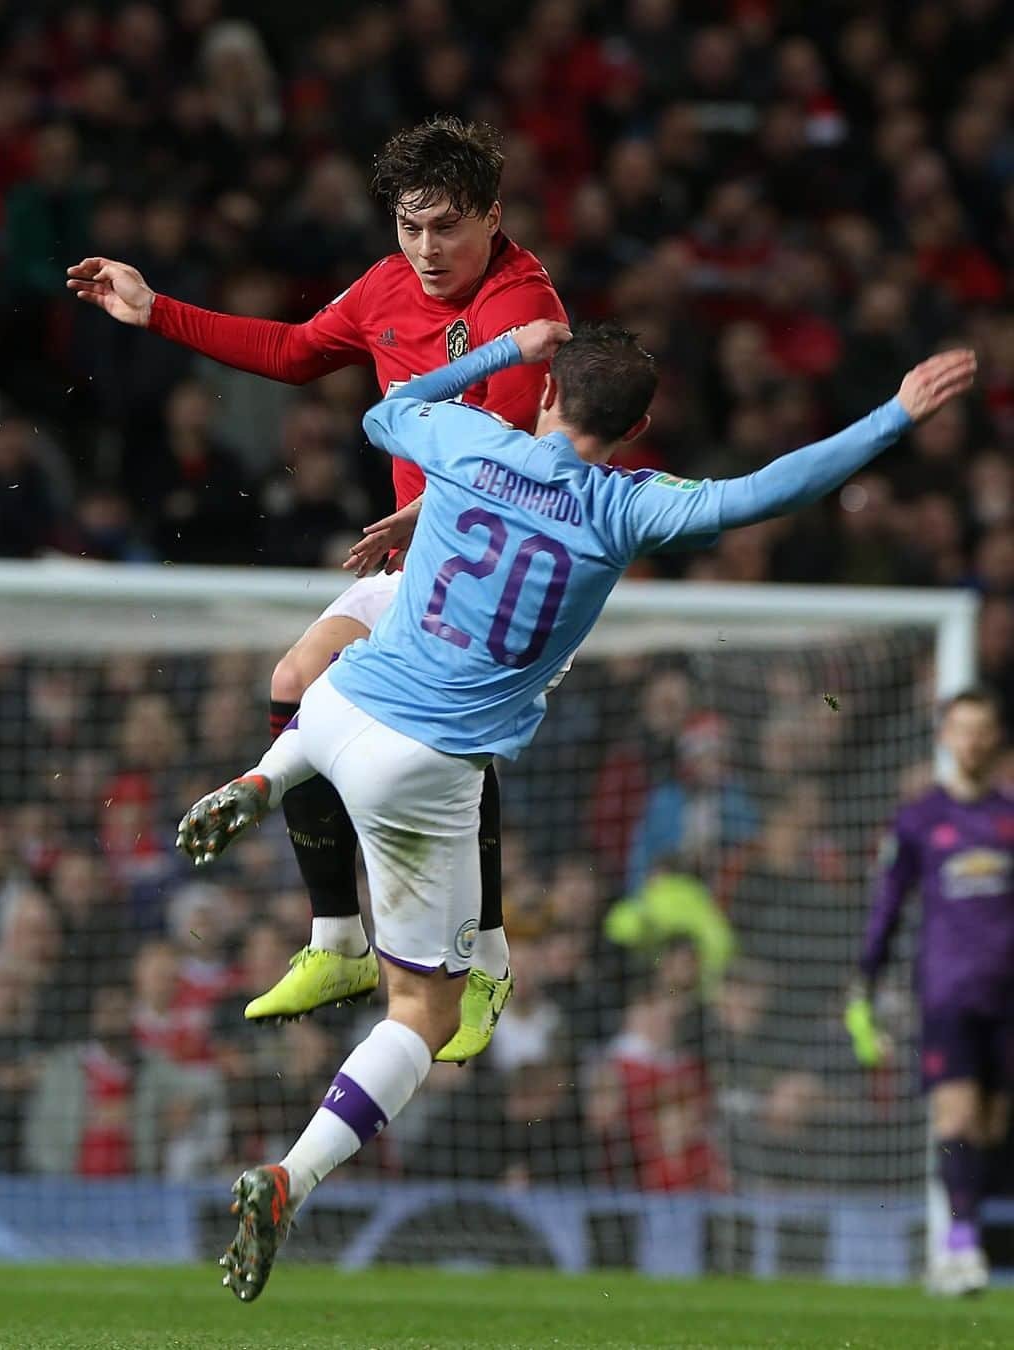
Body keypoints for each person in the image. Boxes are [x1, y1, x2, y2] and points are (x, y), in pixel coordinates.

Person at [175, 319, 974, 1302]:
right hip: (423, 765)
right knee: (422, 1009)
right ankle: (290, 1176)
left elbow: (384, 413)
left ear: (548, 396)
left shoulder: (474, 441)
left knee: (363, 678)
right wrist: (893, 413)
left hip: (334, 702)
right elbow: (770, 492)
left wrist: (501, 354)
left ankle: (265, 777)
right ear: (637, 428)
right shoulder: (629, 507)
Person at [66, 116, 567, 1059]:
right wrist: (154, 309)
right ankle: (337, 939)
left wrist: (428, 514)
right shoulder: (386, 285)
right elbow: (296, 352)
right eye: (409, 227)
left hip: (503, 574)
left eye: (447, 227)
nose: (425, 250)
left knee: (442, 743)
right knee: (293, 682)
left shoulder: (521, 309)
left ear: (493, 217)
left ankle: (487, 959)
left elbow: (520, 464)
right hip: (422, 562)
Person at [846, 688, 1013, 1296]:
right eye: (960, 729)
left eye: (981, 729)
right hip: (946, 991)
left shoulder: (1009, 816)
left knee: (991, 1129)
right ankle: (960, 1247)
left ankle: (963, 1233)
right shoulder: (920, 818)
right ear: (943, 737)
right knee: (957, 1114)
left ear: (994, 738)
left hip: (1007, 995)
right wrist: (867, 976)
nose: (970, 740)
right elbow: (889, 903)